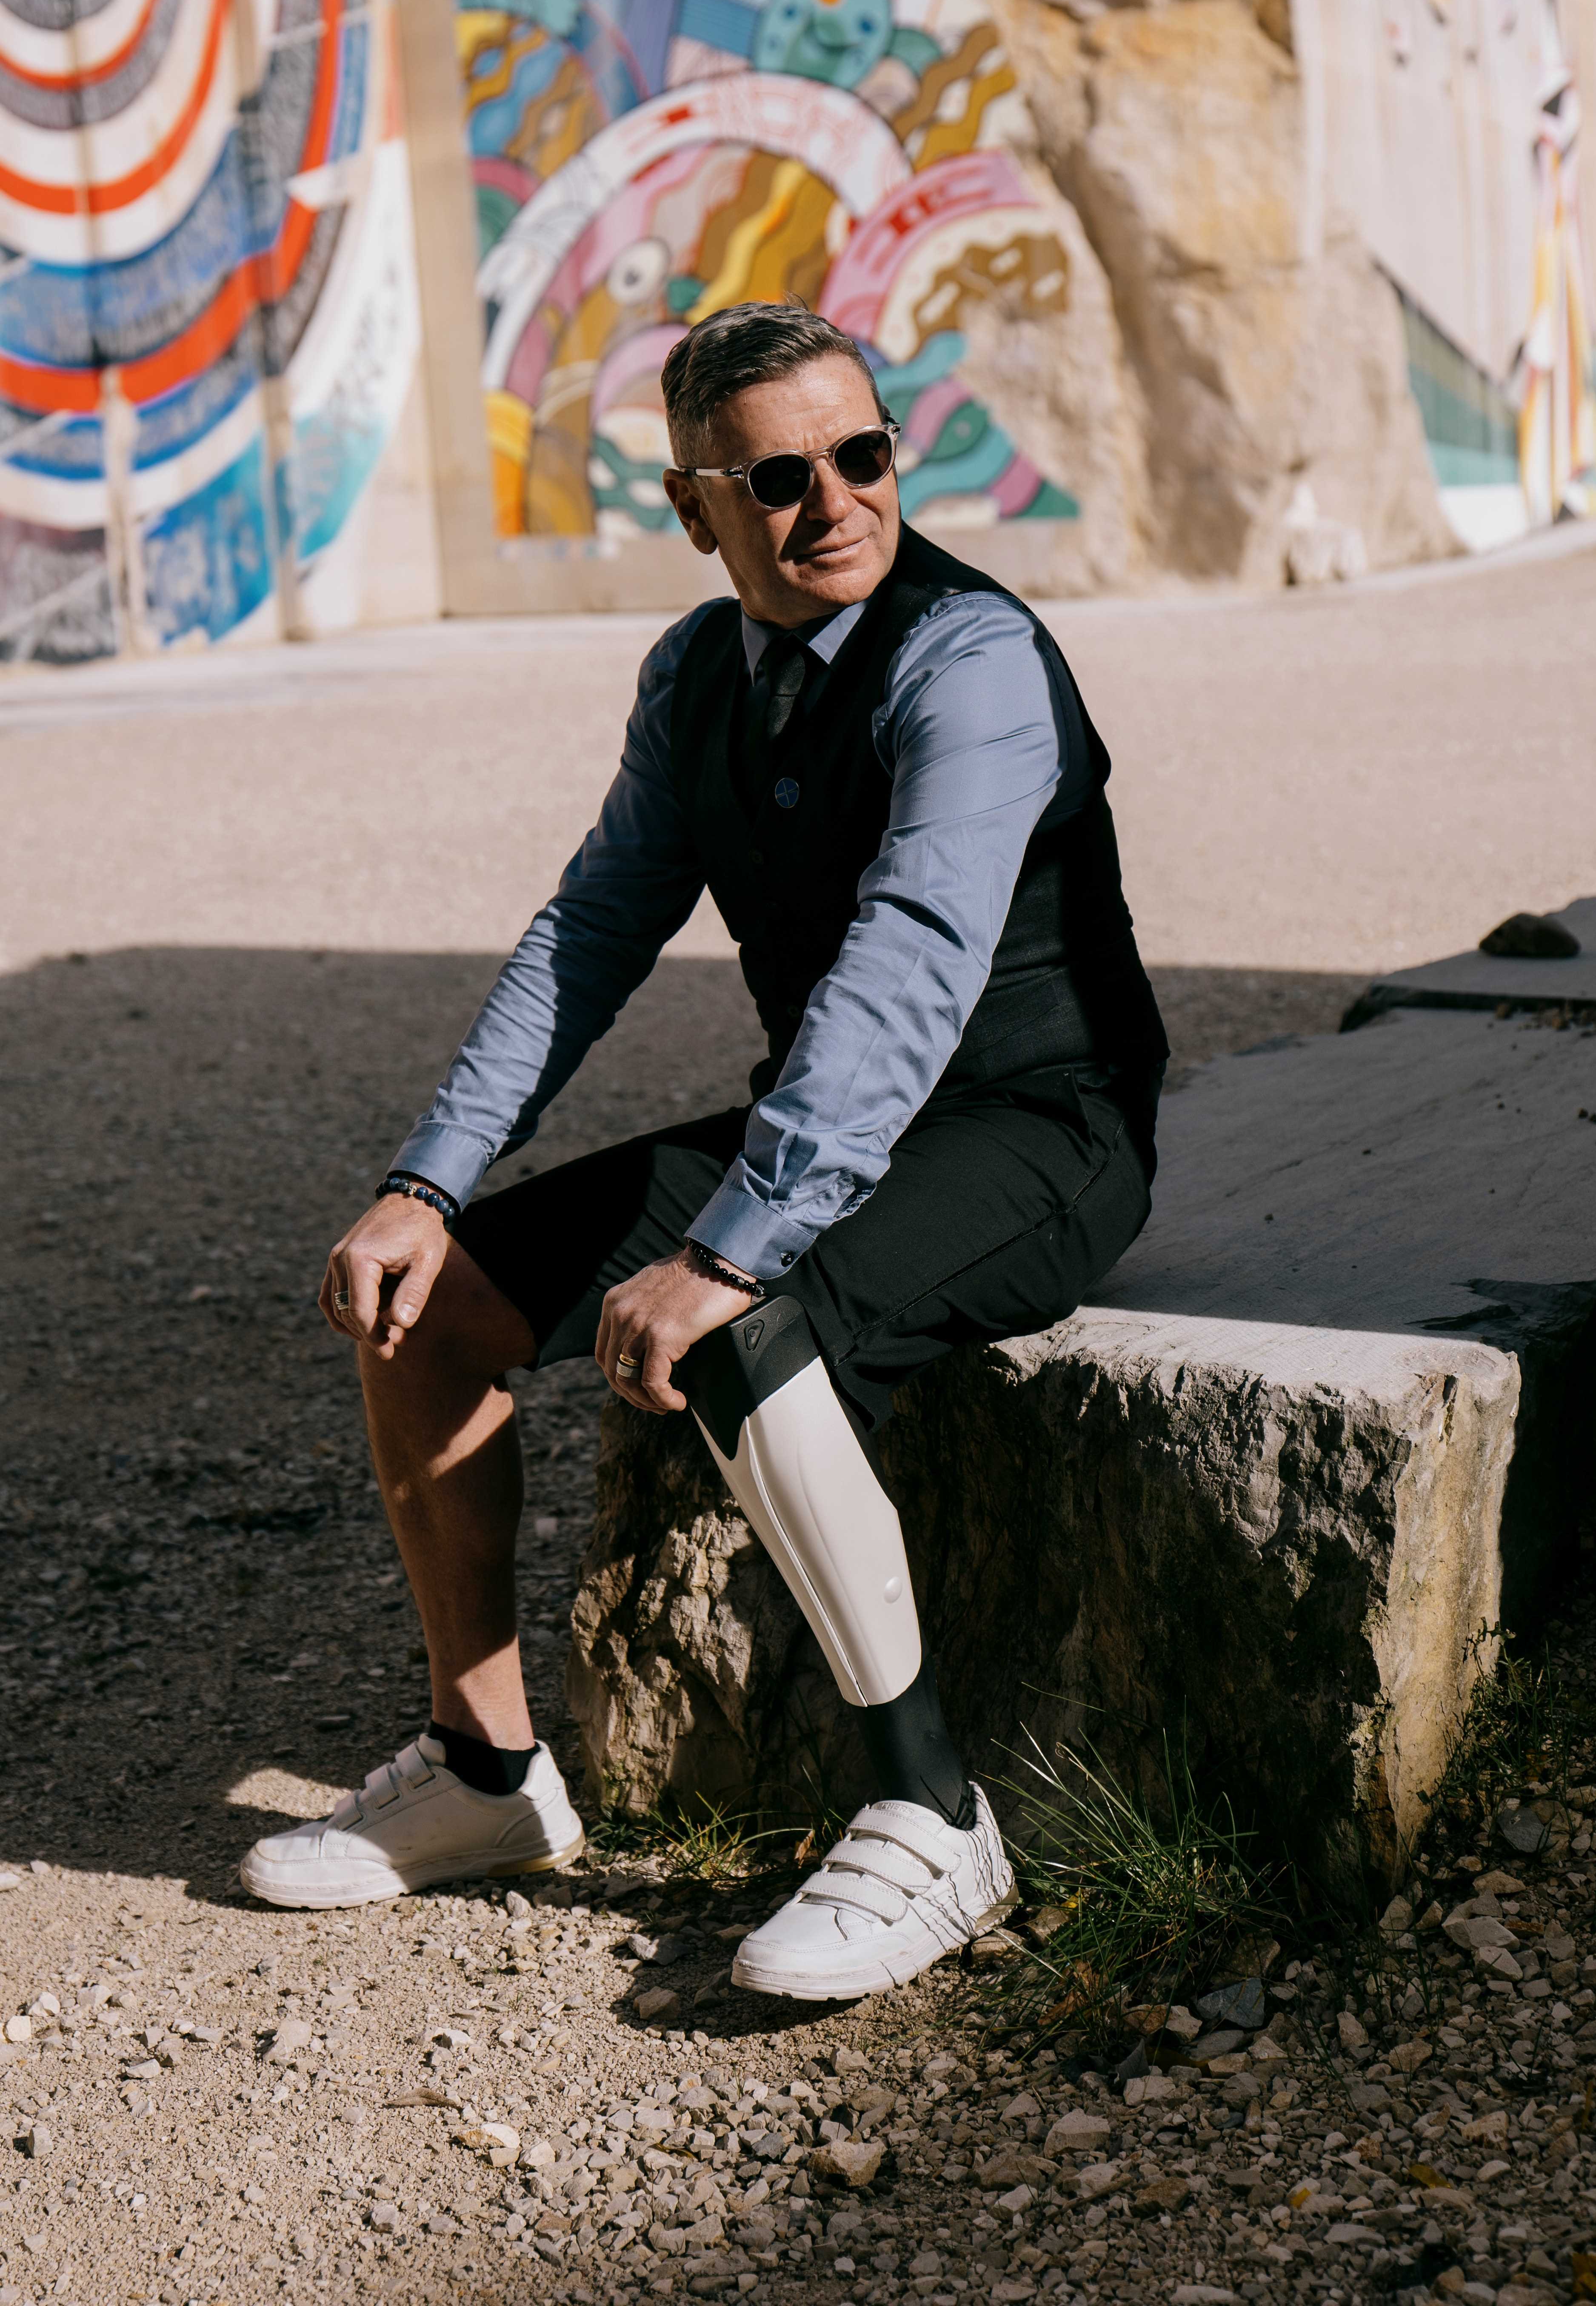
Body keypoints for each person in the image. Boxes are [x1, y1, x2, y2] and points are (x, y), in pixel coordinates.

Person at [242, 301, 1168, 2001]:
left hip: (1041, 1127)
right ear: (695, 509)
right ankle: (487, 1773)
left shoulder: (969, 659)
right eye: (779, 479)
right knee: (428, 1305)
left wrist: (733, 1247)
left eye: (863, 455)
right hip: (831, 1122)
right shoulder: (694, 678)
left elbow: (908, 964)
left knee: (748, 1318)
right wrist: (426, 1184)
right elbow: (587, 936)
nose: (836, 501)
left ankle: (934, 1816)